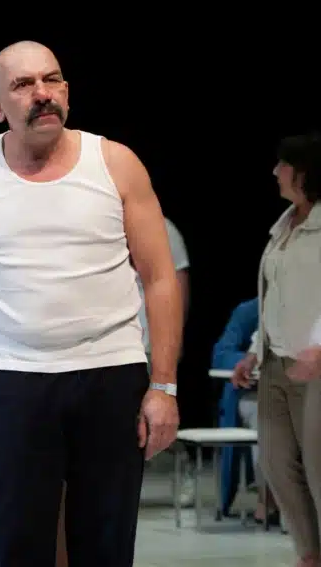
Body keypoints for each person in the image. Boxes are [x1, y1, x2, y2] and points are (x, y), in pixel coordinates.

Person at [0, 40, 183, 567]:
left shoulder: (115, 162)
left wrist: (164, 386)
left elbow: (161, 277)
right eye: (23, 85)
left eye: (51, 80)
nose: (42, 93)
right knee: (16, 547)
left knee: (106, 549)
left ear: (67, 91)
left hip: (112, 375)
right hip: (19, 380)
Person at [232, 133, 321, 567]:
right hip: (277, 364)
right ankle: (309, 554)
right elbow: (275, 297)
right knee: (275, 464)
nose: (275, 172)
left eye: (283, 165)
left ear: (305, 171)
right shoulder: (283, 226)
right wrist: (255, 350)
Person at [135, 217, 195, 506]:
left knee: (150, 419)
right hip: (106, 344)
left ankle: (183, 465)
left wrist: (172, 340)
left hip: (146, 342)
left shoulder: (160, 228)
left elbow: (176, 285)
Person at [212, 297, 280, 523]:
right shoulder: (250, 311)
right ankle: (266, 496)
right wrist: (253, 363)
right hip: (254, 393)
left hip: (298, 390)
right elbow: (221, 354)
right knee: (262, 414)